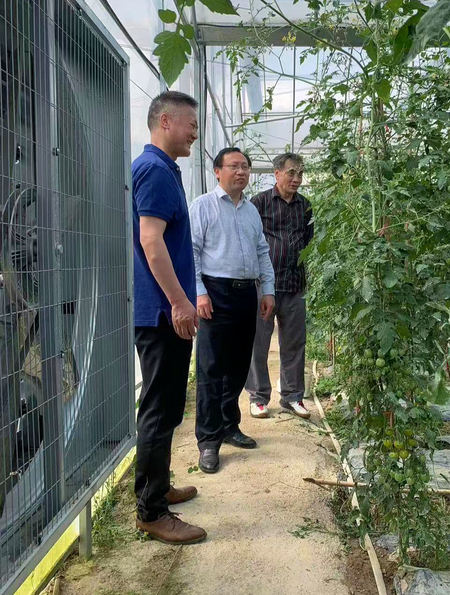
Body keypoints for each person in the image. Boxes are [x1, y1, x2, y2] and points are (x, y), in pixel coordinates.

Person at [132, 91, 206, 545]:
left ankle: (158, 487)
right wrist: (179, 302)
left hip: (165, 311)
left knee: (168, 405)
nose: (195, 133)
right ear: (165, 121)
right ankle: (151, 511)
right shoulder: (155, 170)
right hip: (161, 313)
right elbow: (151, 241)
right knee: (159, 410)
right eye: (190, 125)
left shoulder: (163, 169)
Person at [190, 148, 275, 474]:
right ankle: (208, 440)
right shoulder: (203, 206)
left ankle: (228, 425)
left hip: (245, 294)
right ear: (217, 171)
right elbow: (191, 252)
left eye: (245, 167)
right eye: (234, 166)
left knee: (239, 366)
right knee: (211, 369)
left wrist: (268, 290)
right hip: (215, 293)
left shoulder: (251, 211)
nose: (241, 172)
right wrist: (199, 292)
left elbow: (262, 251)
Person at [245, 153, 314, 419]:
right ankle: (258, 397)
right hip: (263, 286)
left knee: (294, 343)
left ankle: (293, 396)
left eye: (300, 174)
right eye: (291, 173)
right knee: (258, 342)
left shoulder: (305, 206)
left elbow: (307, 240)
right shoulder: (259, 203)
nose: (296, 178)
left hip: (294, 284)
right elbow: (249, 240)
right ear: (276, 174)